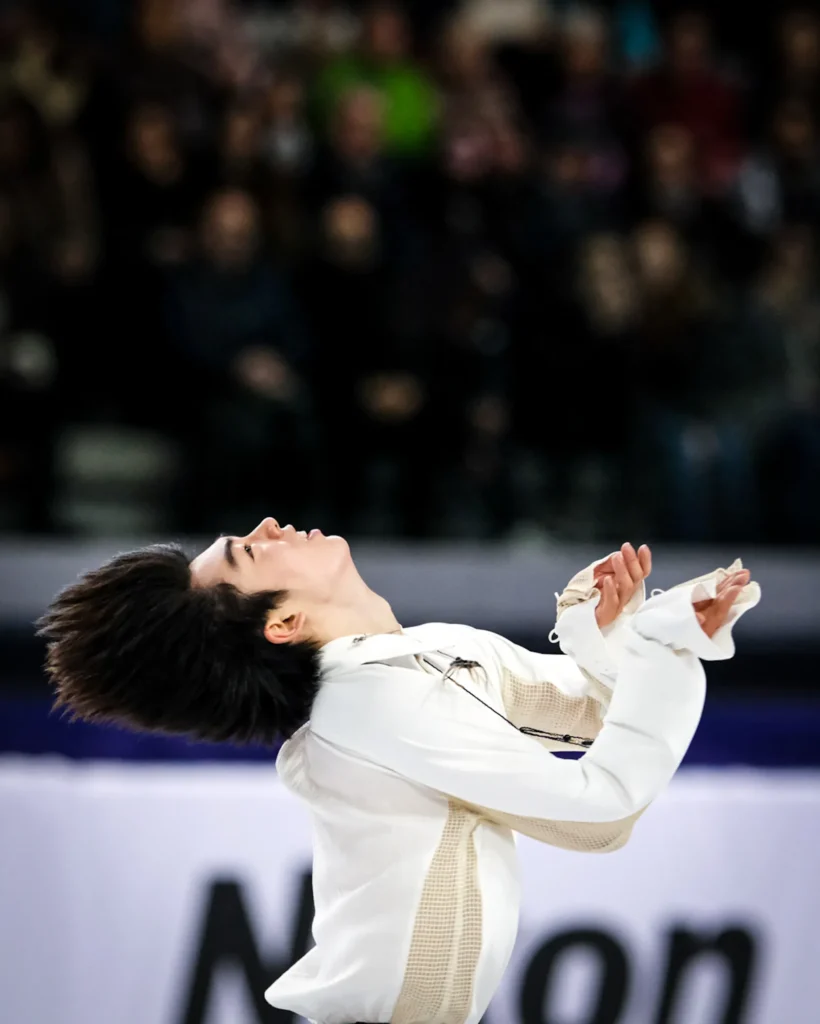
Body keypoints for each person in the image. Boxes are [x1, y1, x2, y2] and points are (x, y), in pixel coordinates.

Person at [37, 520, 760, 1024]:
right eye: (249, 553)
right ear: (281, 624)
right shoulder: (373, 701)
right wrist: (664, 653)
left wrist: (613, 629)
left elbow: (598, 714)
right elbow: (602, 813)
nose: (266, 525)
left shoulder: (423, 656)